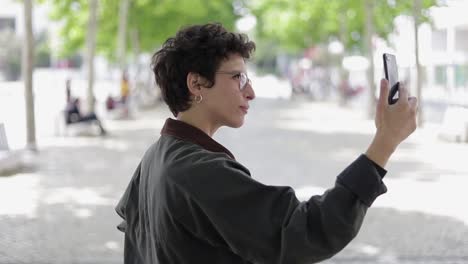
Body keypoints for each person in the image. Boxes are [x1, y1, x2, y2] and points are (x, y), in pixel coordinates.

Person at [115, 23, 418, 264]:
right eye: (238, 78)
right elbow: (308, 231)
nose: (251, 93)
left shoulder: (156, 156)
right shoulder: (197, 170)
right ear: (196, 84)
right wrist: (385, 143)